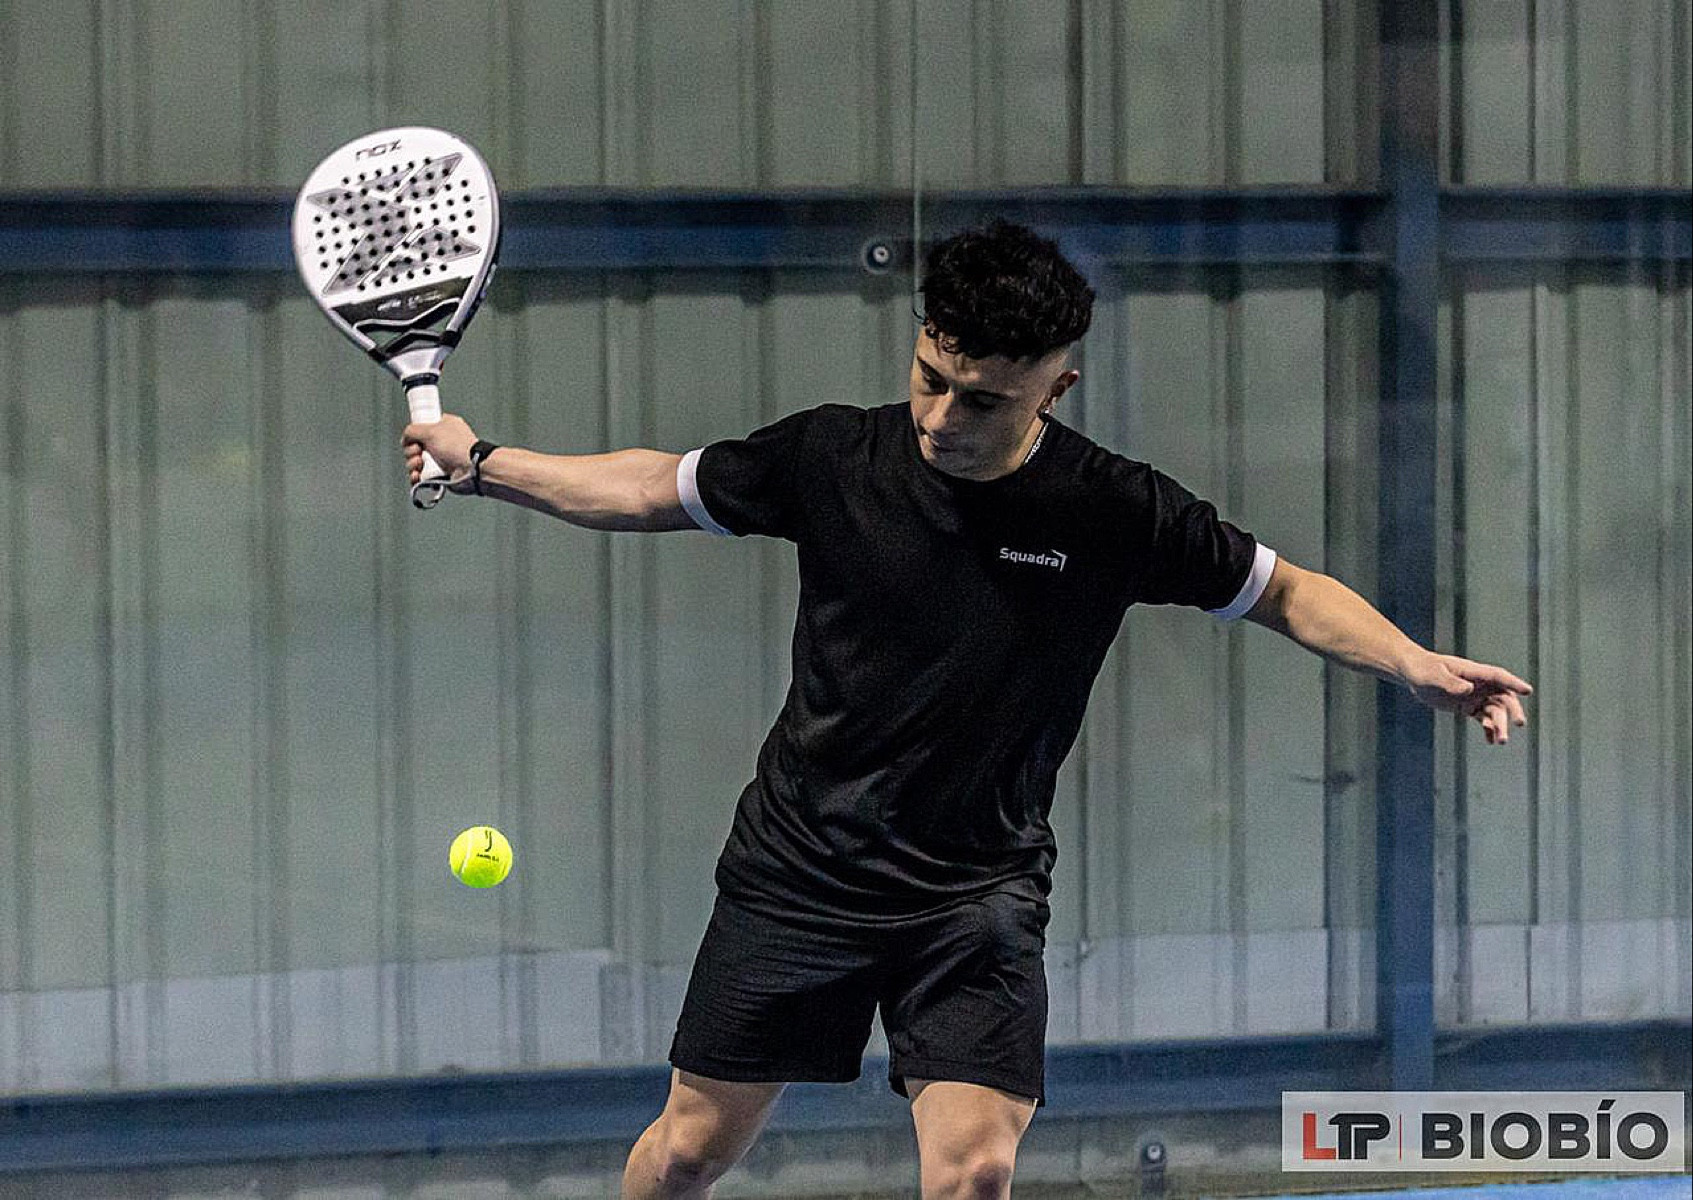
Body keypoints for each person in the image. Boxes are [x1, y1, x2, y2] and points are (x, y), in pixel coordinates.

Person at [402, 221, 1532, 1200]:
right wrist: (483, 461)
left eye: (982, 398)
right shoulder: (833, 458)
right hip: (798, 871)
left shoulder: (1110, 508)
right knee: (689, 1154)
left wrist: (1413, 663)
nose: (941, 415)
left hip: (973, 891)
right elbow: (653, 485)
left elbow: (1283, 590)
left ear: (1055, 388)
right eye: (929, 376)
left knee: (975, 1172)